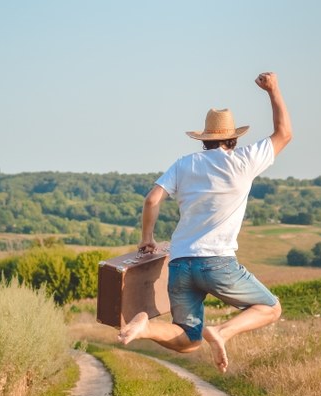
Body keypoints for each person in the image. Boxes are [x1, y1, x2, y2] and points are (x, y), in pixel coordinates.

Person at [118, 71, 292, 373]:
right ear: (233, 139)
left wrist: (147, 238)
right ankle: (222, 332)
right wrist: (273, 90)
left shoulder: (185, 164)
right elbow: (284, 133)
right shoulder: (244, 161)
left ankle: (144, 328)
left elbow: (151, 199)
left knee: (188, 339)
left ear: (205, 139)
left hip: (182, 262)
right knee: (270, 308)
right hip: (218, 264)